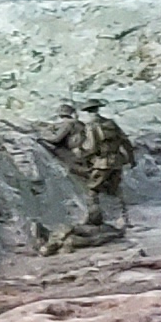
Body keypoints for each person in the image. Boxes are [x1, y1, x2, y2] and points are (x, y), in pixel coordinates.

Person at [46, 96, 134, 238]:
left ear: (87, 112)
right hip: (117, 161)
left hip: (102, 163)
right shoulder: (110, 123)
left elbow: (91, 147)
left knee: (92, 190)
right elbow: (126, 142)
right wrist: (131, 159)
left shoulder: (92, 126)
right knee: (115, 190)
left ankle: (94, 219)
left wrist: (79, 154)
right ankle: (125, 219)